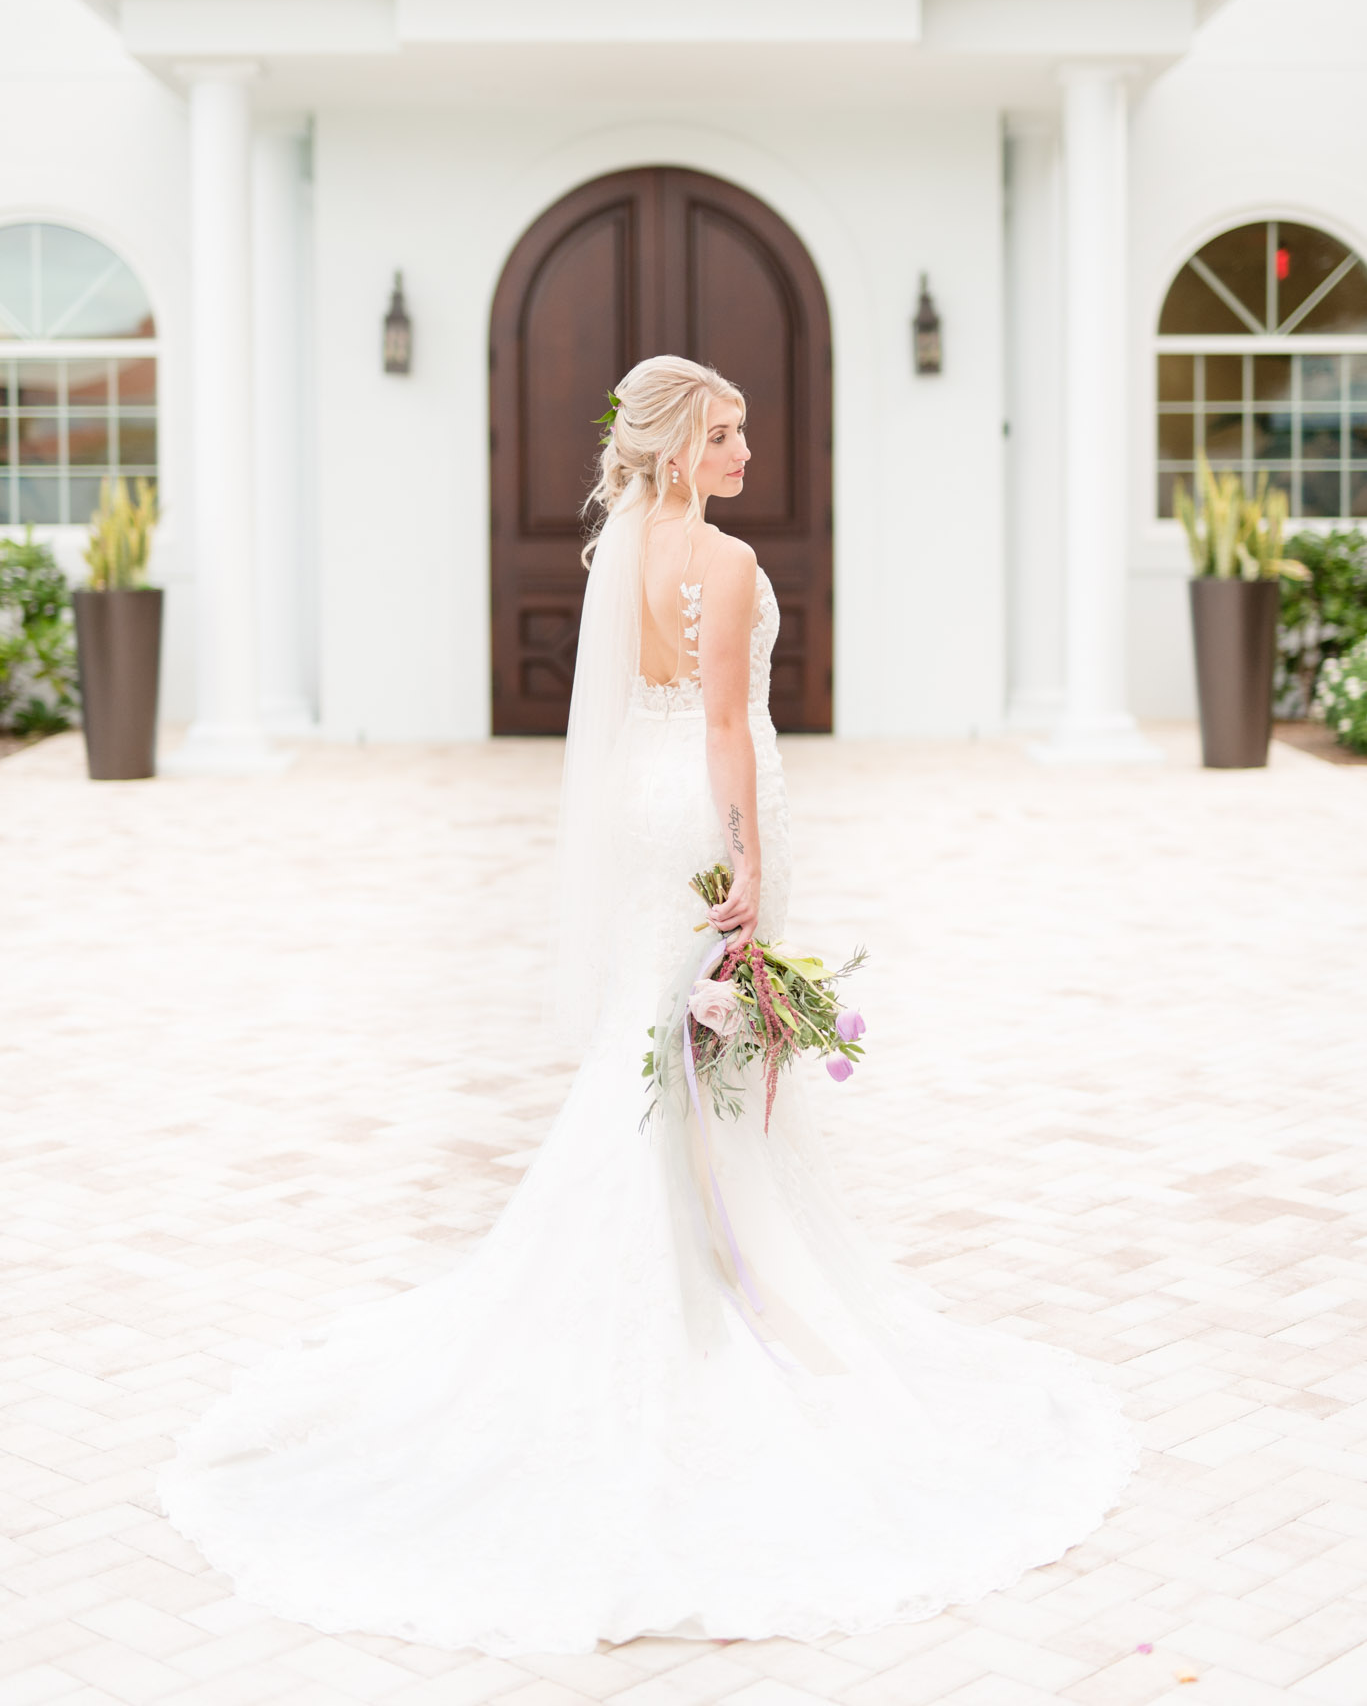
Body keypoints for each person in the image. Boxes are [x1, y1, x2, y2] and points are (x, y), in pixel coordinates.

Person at [160, 355, 1137, 1653]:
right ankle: (708, 1285)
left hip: (640, 811)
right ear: (678, 445)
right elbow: (727, 720)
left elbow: (641, 706)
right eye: (726, 434)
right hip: (704, 807)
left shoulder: (620, 555)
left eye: (743, 431)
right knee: (693, 1039)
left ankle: (701, 1261)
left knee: (655, 1031)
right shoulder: (723, 564)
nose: (746, 452)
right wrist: (745, 857)